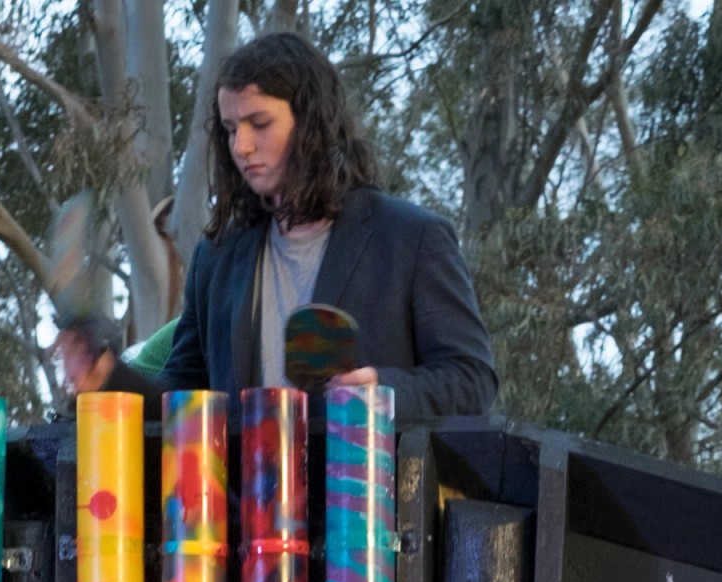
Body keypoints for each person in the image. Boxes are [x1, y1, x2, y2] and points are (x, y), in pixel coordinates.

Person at [159, 31, 498, 421]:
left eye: (260, 123)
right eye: (231, 128)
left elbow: (472, 379)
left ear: (309, 122)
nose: (241, 146)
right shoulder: (216, 256)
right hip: (246, 483)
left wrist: (384, 392)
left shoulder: (413, 238)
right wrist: (108, 375)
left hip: (368, 478)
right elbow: (181, 391)